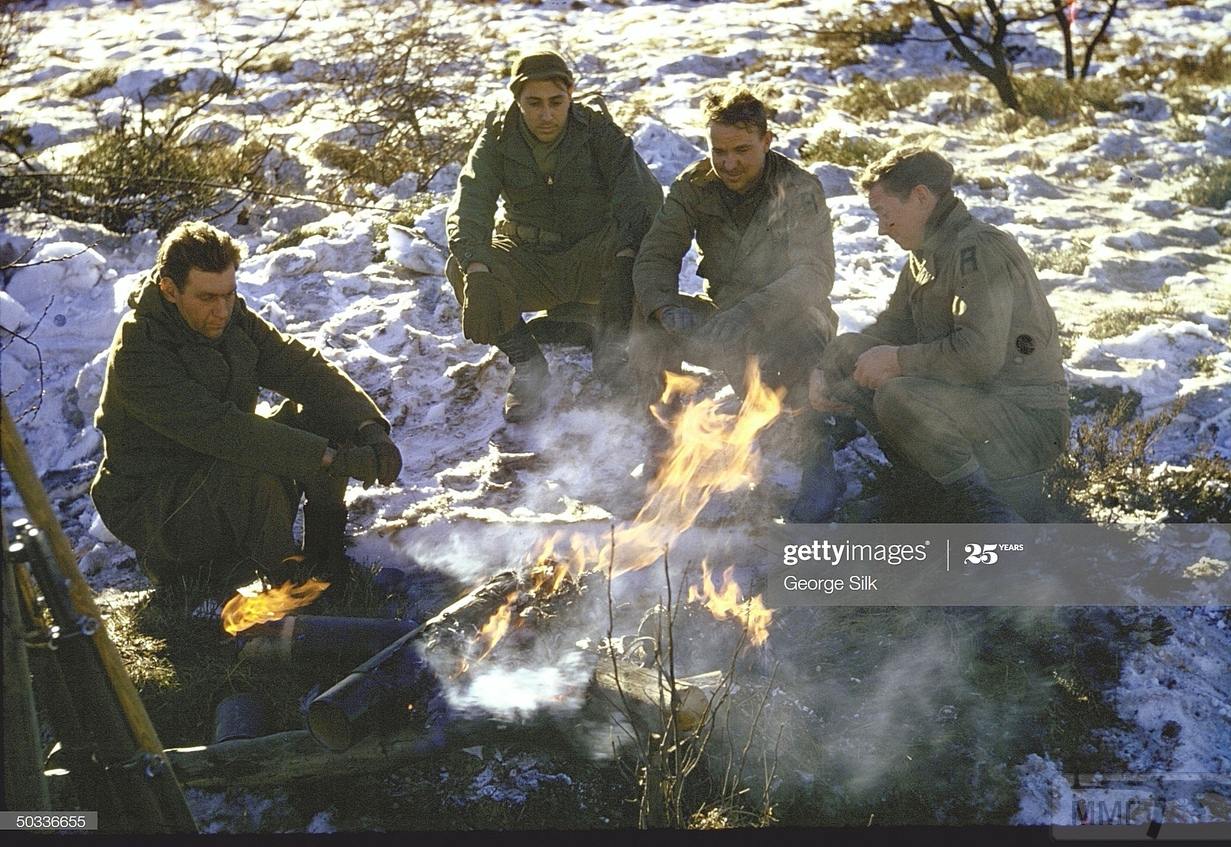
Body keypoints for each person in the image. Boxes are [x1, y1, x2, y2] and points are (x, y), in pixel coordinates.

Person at [90, 221, 402, 592]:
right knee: (254, 470)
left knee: (328, 419)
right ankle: (289, 590)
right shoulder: (139, 350)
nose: (222, 310)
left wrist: (369, 428)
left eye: (229, 294)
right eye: (207, 298)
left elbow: (298, 367)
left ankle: (325, 563)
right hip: (158, 504)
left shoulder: (229, 317)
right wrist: (332, 460)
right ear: (169, 290)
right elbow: (224, 430)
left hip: (215, 472)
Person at [807, 146, 1070, 523]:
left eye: (885, 213)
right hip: (980, 411)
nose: (881, 227)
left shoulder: (978, 250)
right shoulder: (925, 256)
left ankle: (987, 512)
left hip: (1026, 423)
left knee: (898, 394)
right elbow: (891, 330)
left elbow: (979, 356)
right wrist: (830, 363)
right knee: (856, 359)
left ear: (920, 198)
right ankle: (930, 491)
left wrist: (898, 361)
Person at [630, 86, 839, 519]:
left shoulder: (798, 188)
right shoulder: (695, 185)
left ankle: (820, 465)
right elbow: (657, 255)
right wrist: (667, 310)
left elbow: (813, 274)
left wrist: (749, 312)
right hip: (725, 319)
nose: (728, 163)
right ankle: (665, 444)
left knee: (799, 396)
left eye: (742, 150)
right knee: (650, 328)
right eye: (718, 151)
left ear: (767, 140)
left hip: (791, 318)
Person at [445, 49, 663, 422]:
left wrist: (628, 255)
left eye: (555, 102)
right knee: (462, 267)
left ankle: (612, 352)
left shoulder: (597, 131)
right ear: (517, 99)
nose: (546, 115)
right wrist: (477, 266)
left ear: (571, 95)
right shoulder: (497, 137)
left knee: (645, 251)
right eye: (534, 103)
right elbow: (470, 204)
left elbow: (640, 196)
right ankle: (528, 364)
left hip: (595, 257)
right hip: (531, 257)